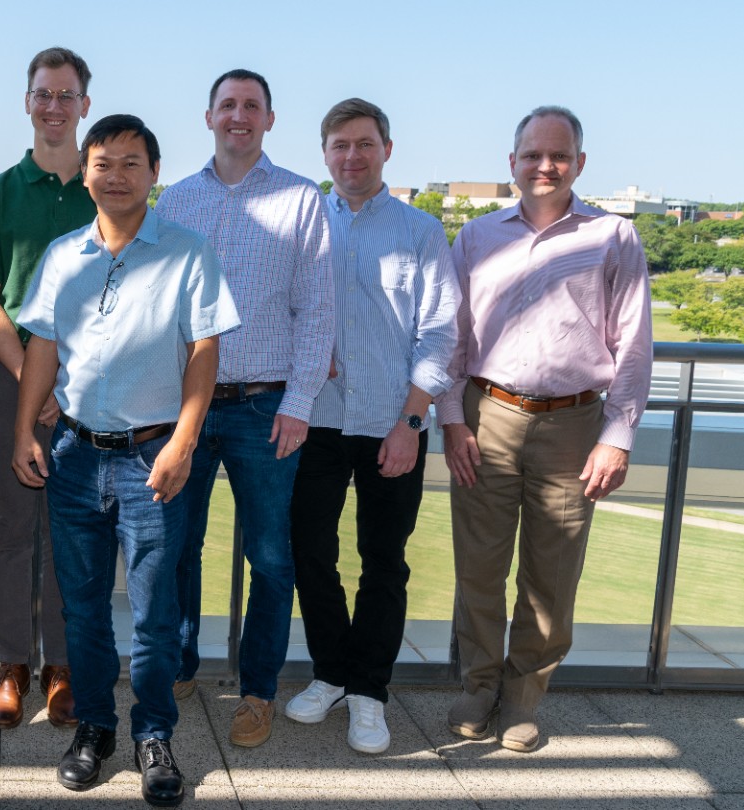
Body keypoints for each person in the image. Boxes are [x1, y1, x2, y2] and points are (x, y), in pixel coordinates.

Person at [14, 114, 240, 808]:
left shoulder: (188, 252)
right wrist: (25, 428)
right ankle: (95, 728)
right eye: (104, 163)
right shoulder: (61, 256)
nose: (116, 176)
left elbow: (205, 352)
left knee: (153, 613)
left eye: (132, 164)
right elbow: (43, 349)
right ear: (85, 173)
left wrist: (183, 443)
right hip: (75, 457)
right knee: (81, 609)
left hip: (153, 459)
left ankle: (154, 734)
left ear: (154, 174)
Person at [438, 105, 652, 753]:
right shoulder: (475, 238)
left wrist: (619, 435)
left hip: (573, 423)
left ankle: (524, 696)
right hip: (486, 415)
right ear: (512, 164)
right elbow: (451, 340)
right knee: (479, 566)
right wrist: (450, 420)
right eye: (532, 154)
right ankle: (477, 686)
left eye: (559, 155)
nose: (545, 165)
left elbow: (635, 344)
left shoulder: (613, 237)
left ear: (580, 164)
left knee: (552, 573)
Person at [155, 69, 334, 748]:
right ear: (208, 118)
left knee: (270, 560)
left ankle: (258, 690)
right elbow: (161, 310)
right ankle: (177, 668)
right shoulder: (177, 200)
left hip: (267, 408)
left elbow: (317, 310)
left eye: (251, 106)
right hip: (187, 410)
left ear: (269, 118)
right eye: (227, 105)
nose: (239, 116)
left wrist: (300, 403)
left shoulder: (299, 200)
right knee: (176, 548)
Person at [283, 98, 459, 754]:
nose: (352, 156)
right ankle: (331, 672)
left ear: (387, 148)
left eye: (365, 144)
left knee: (383, 562)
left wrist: (413, 420)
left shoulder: (420, 231)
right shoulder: (304, 226)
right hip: (317, 421)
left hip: (393, 420)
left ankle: (369, 691)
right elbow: (282, 307)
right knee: (311, 553)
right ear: (324, 153)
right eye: (339, 145)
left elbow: (439, 332)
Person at [0, 46, 95, 730]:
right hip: (9, 375)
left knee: (71, 531)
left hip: (93, 383)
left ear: (84, 105)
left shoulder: (108, 188)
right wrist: (30, 376)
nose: (53, 106)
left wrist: (67, 380)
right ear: (27, 102)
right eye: (42, 93)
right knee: (11, 526)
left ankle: (62, 669)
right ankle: (13, 665)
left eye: (66, 94)